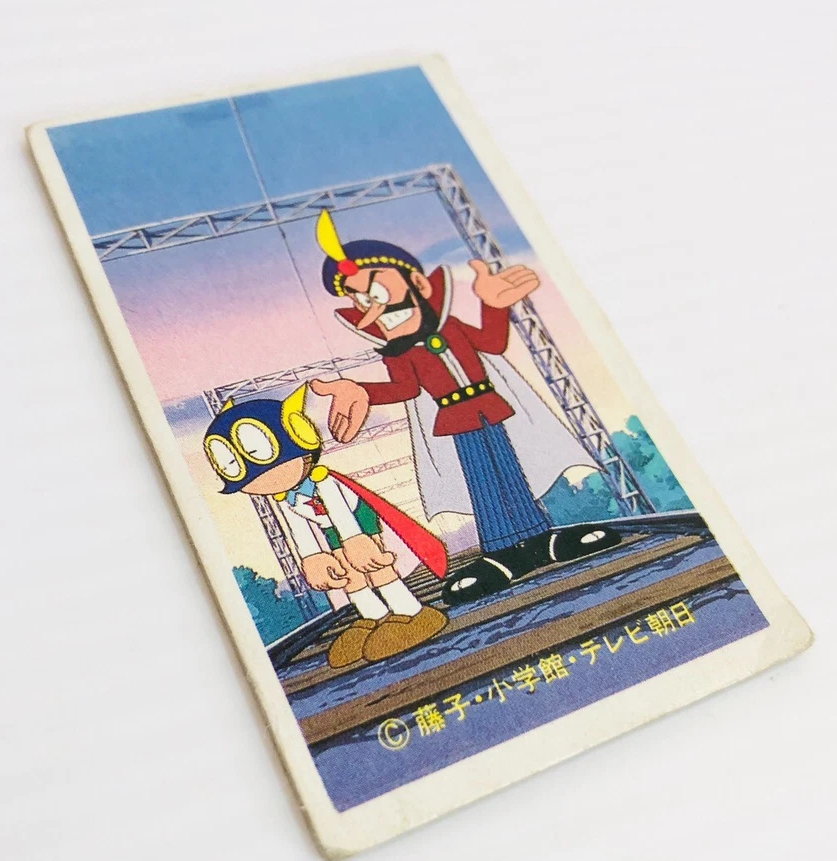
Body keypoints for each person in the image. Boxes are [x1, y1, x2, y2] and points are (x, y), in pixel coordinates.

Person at [310, 209, 619, 605]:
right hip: (456, 419)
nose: (373, 306)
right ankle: (501, 551)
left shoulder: (452, 326)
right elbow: (405, 388)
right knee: (482, 481)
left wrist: (493, 305)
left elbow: (492, 343)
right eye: (362, 300)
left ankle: (540, 537)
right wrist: (361, 391)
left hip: (490, 408)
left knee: (510, 472)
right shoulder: (398, 352)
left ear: (418, 282)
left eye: (378, 291)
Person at [202, 384, 448, 668]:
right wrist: (313, 558)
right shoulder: (286, 498)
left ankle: (411, 611)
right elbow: (300, 529)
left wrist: (356, 539)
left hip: (357, 519)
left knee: (373, 565)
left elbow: (342, 511)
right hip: (330, 528)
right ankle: (374, 616)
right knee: (346, 573)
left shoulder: (323, 481)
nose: (259, 480)